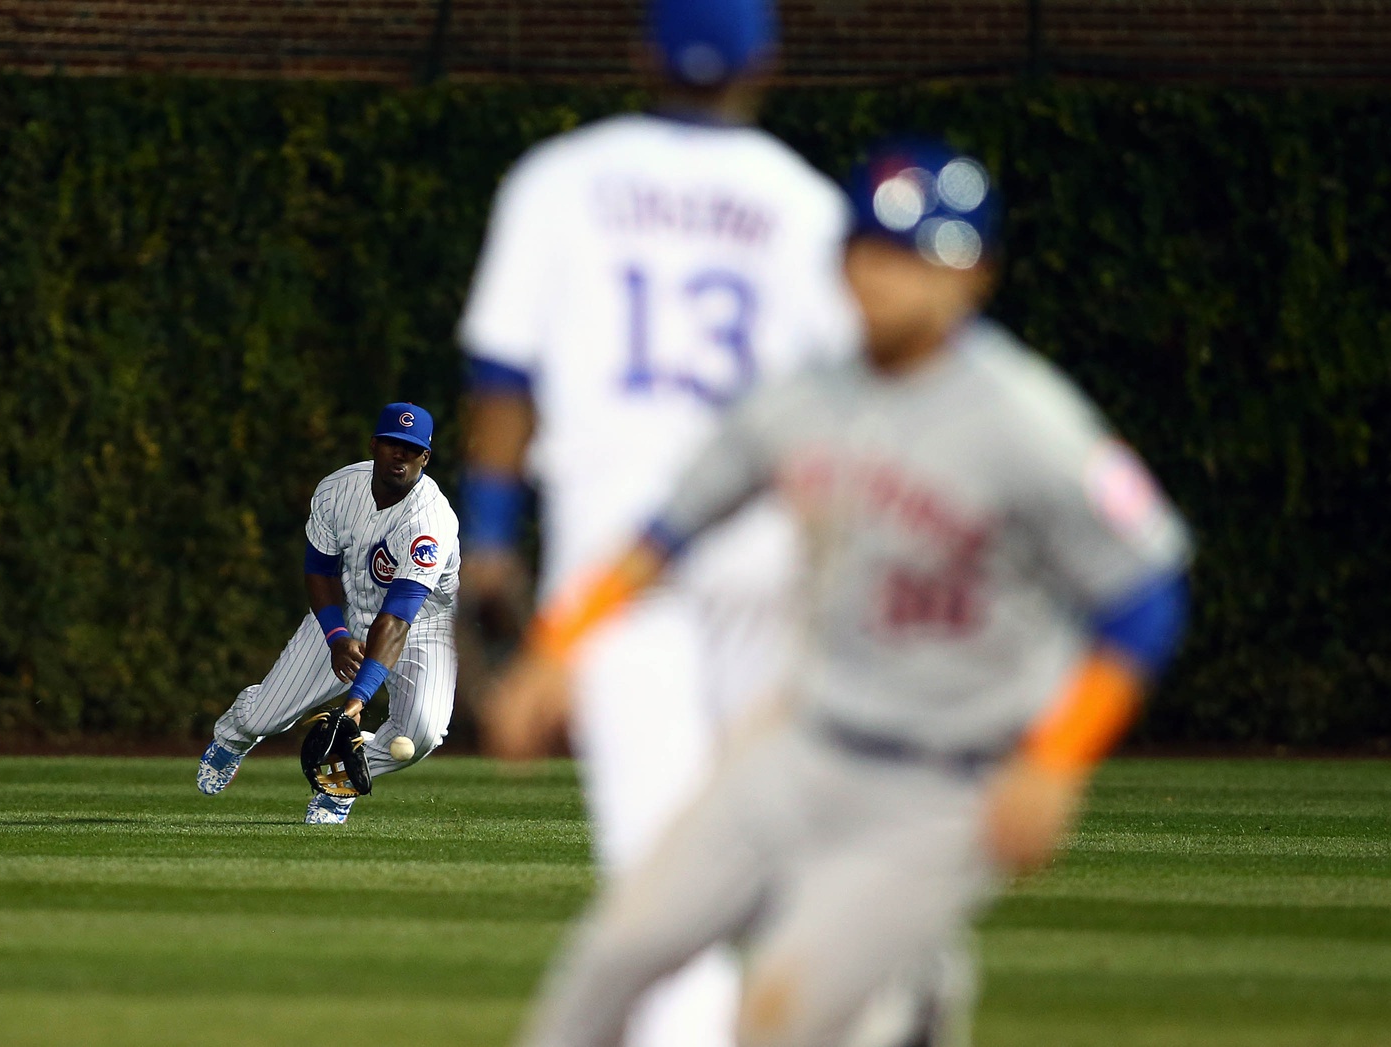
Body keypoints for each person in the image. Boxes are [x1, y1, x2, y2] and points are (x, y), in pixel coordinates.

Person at [485, 139, 1193, 1047]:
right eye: (870, 250)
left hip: (939, 784)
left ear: (974, 277)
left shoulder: (1030, 424)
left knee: (775, 1021)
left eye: (917, 258)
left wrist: (1056, 758)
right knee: (613, 959)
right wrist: (559, 647)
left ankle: (913, 1007)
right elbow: (667, 532)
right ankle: (910, 1001)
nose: (884, 279)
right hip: (797, 745)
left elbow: (1147, 593)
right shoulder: (803, 399)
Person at [458, 1, 860, 1041]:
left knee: (660, 871)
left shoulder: (558, 182)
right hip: (770, 557)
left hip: (610, 565)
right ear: (764, 61)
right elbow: (841, 413)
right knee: (769, 852)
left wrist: (493, 537)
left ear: (640, 51)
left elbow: (504, 376)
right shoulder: (807, 207)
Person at [197, 402, 460, 825]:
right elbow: (319, 569)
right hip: (352, 612)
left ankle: (340, 781)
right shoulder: (338, 489)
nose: (400, 455)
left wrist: (357, 700)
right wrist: (337, 635)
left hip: (421, 626)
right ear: (375, 444)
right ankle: (232, 737)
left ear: (425, 458)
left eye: (411, 450)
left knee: (422, 733)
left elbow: (396, 620)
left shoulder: (429, 522)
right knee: (266, 714)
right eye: (393, 444)